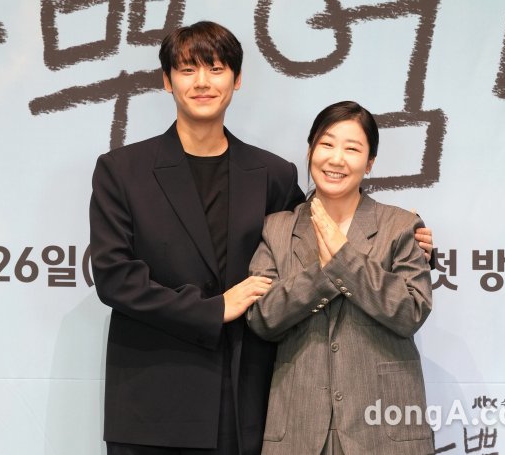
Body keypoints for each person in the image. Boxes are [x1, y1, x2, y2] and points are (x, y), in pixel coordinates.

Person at [90, 21, 434, 455]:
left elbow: (317, 231)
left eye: (216, 69)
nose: (202, 82)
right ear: (166, 80)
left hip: (246, 400)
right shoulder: (122, 170)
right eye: (187, 70)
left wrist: (410, 237)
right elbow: (114, 278)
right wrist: (214, 308)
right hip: (155, 397)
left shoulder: (271, 173)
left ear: (236, 79)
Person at [247, 101, 435, 454]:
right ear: (310, 151)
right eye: (327, 144)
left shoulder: (400, 226)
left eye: (352, 149)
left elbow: (411, 311)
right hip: (299, 429)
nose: (336, 159)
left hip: (384, 430)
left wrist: (344, 259)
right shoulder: (277, 228)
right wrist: (324, 270)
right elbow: (262, 318)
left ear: (369, 162)